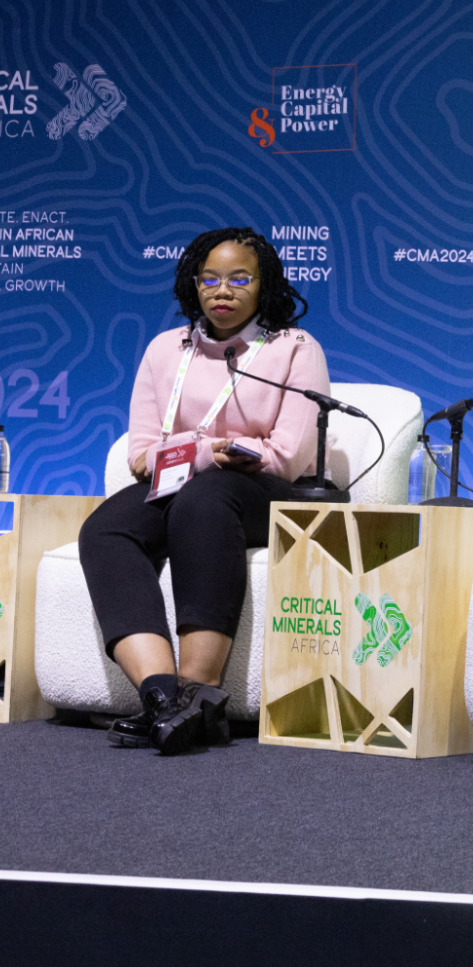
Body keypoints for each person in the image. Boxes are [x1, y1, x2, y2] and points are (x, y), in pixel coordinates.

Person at [78, 228, 328, 754]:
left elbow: (286, 455)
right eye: (210, 279)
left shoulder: (293, 347)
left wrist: (200, 452)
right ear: (194, 285)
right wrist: (207, 452)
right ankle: (163, 698)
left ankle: (198, 693)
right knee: (107, 527)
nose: (223, 291)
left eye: (240, 279)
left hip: (259, 492)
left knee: (205, 498)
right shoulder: (165, 349)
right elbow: (141, 454)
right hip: (183, 480)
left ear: (263, 285)